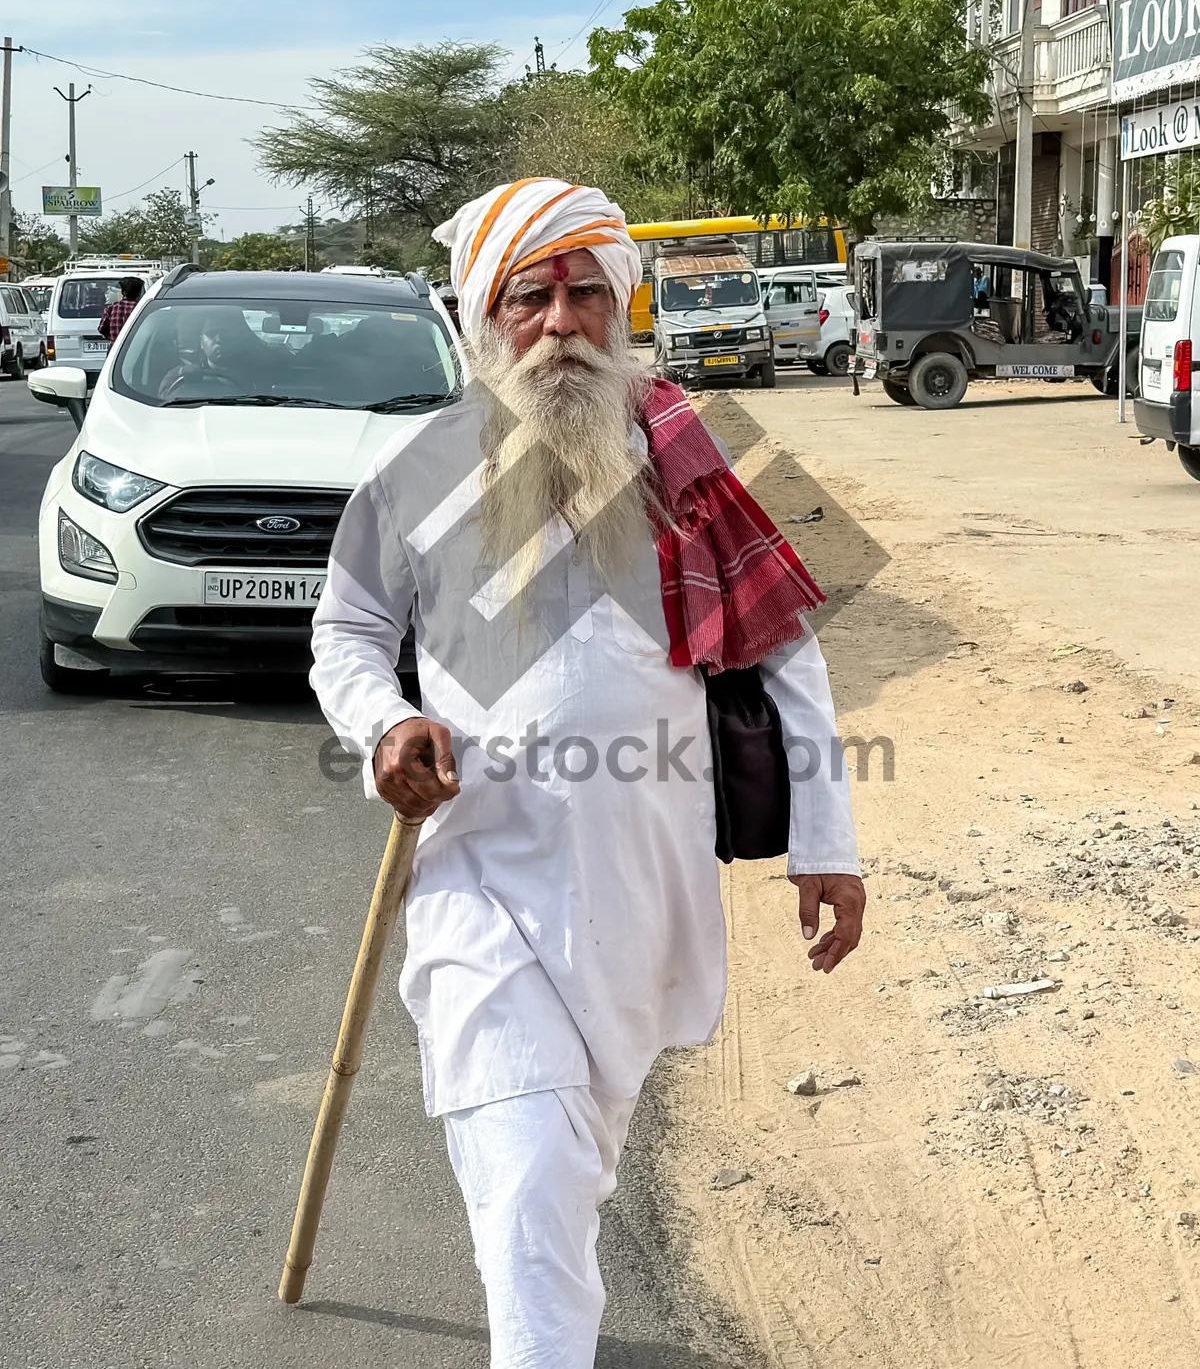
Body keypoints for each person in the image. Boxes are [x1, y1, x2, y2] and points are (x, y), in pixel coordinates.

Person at [310, 177, 865, 1369]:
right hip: (482, 898)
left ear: (623, 307)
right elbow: (348, 629)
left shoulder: (688, 447)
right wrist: (384, 725)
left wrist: (828, 842)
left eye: (583, 294)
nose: (559, 323)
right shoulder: (420, 467)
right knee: (531, 1193)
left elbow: (787, 648)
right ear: (483, 315)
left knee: (575, 1174)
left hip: (641, 899)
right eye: (528, 297)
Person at [96, 275, 145, 343]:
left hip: (116, 347)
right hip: (135, 347)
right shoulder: (141, 309)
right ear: (139, 293)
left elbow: (102, 329)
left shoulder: (111, 308)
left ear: (123, 292)